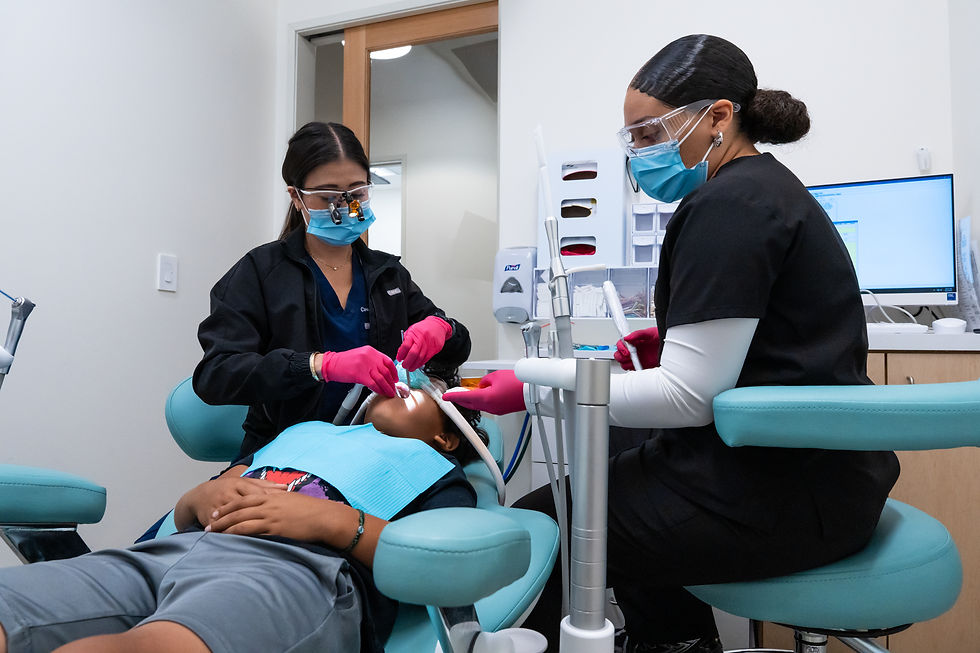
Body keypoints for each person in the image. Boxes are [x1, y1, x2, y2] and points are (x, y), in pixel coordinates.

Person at [447, 35, 899, 653]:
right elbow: (777, 339)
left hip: (792, 493)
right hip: (819, 472)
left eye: (649, 134)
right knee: (625, 454)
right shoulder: (761, 189)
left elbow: (688, 397)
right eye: (631, 137)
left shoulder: (729, 206)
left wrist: (533, 392)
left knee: (547, 524)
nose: (637, 154)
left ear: (718, 117)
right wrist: (675, 338)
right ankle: (678, 642)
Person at [0, 373, 489, 653]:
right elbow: (210, 493)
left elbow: (436, 560)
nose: (406, 381)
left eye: (428, 386)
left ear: (447, 435)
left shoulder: (438, 470)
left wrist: (330, 521)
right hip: (173, 550)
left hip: (294, 571)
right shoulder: (306, 431)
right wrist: (193, 500)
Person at [194, 121, 472, 460]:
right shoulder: (260, 273)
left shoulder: (387, 275)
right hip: (286, 452)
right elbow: (216, 375)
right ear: (296, 197)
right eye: (328, 197)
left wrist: (443, 329)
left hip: (382, 450)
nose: (346, 208)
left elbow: (456, 347)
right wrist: (319, 365)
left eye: (356, 194)